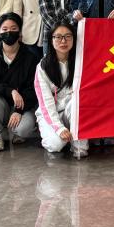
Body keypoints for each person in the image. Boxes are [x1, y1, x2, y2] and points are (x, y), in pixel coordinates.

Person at [0, 12, 41, 151]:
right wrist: (10, 91)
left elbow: (34, 89)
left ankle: (16, 132)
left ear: (20, 31)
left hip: (22, 106)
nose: (9, 32)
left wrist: (19, 110)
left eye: (14, 29)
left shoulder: (30, 57)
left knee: (24, 129)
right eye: (5, 29)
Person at [34, 21, 88, 159]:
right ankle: (58, 134)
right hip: (51, 113)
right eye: (58, 37)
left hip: (72, 111)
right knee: (56, 145)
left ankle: (78, 144)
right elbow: (46, 103)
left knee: (76, 103)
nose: (63, 41)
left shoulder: (81, 62)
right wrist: (59, 128)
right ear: (51, 40)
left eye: (68, 36)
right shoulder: (43, 67)